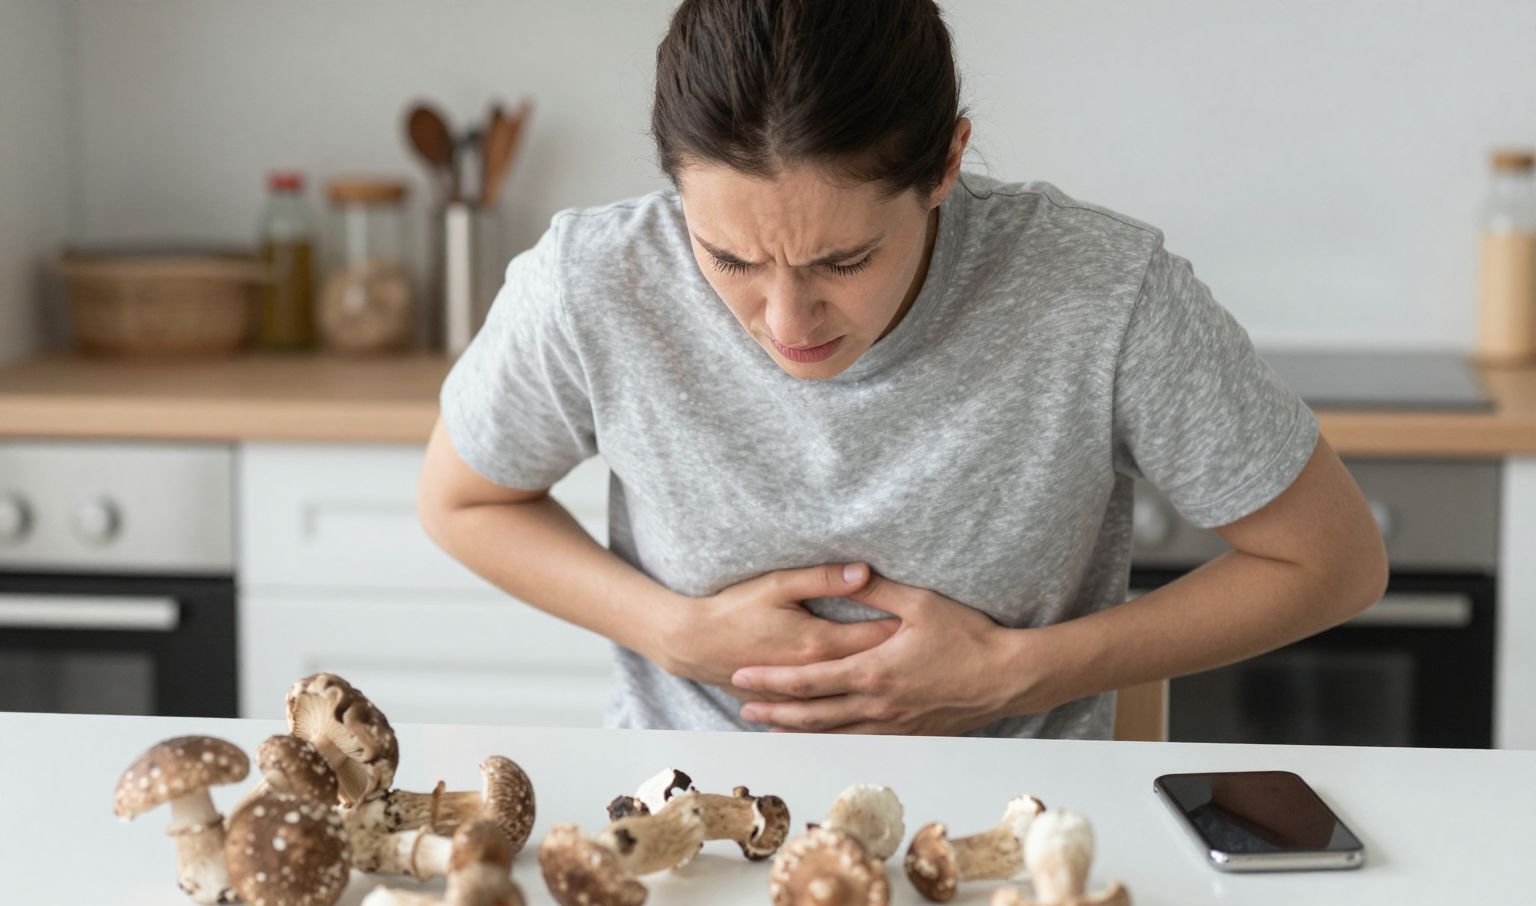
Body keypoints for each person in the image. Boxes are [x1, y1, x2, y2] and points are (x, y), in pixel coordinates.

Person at [417, 0, 1388, 739]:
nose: (786, 320)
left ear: (947, 163)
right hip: (688, 840)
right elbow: (461, 500)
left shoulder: (1100, 297)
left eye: (843, 261)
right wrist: (674, 632)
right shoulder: (593, 283)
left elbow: (1335, 560)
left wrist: (1025, 670)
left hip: (1020, 849)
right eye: (730, 259)